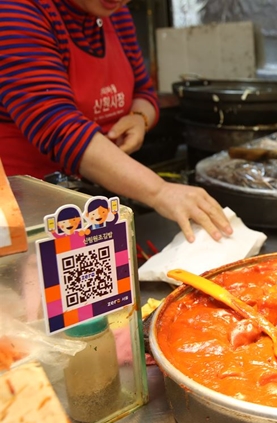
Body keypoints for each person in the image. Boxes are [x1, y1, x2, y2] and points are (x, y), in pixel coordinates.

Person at [0, 0, 232, 243]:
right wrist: (160, 191)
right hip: (24, 213)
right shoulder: (15, 10)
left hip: (92, 204)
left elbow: (144, 92)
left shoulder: (113, 11)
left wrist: (139, 118)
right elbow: (59, 128)